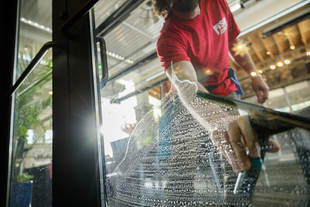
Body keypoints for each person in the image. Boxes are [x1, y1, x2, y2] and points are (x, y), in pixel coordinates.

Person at [154, 0, 280, 173]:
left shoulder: (217, 3)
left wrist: (254, 74)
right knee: (182, 167)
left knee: (241, 150)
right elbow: (187, 83)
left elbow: (233, 41)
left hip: (225, 88)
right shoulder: (169, 38)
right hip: (190, 100)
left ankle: (237, 198)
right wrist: (223, 122)